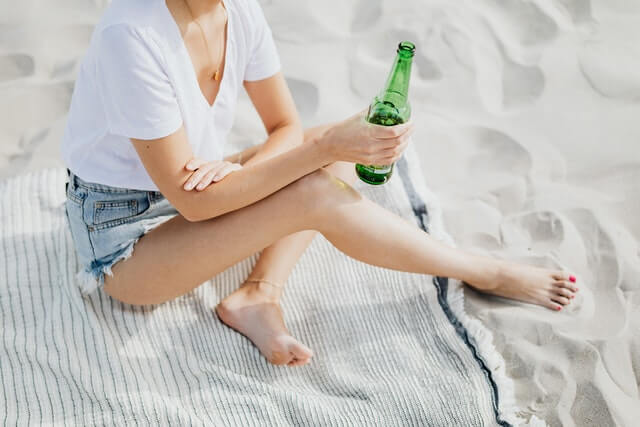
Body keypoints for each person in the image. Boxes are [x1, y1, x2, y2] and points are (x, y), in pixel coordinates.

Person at [61, 0, 579, 368]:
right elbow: (194, 206)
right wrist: (320, 152)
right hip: (124, 240)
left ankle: (257, 295)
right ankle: (481, 270)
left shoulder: (236, 10)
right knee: (318, 175)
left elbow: (285, 126)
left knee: (327, 145)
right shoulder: (131, 35)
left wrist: (263, 168)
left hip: (193, 184)